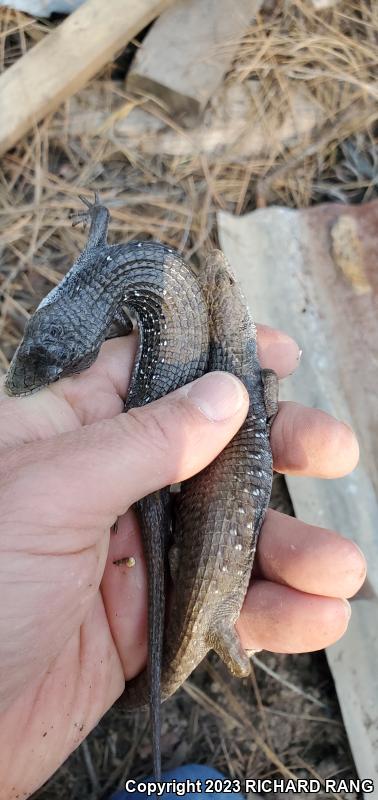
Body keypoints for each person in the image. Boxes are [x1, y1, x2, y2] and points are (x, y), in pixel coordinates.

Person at [0, 327, 365, 799]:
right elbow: (266, 384)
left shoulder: (245, 387)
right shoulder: (253, 388)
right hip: (197, 577)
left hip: (198, 577)